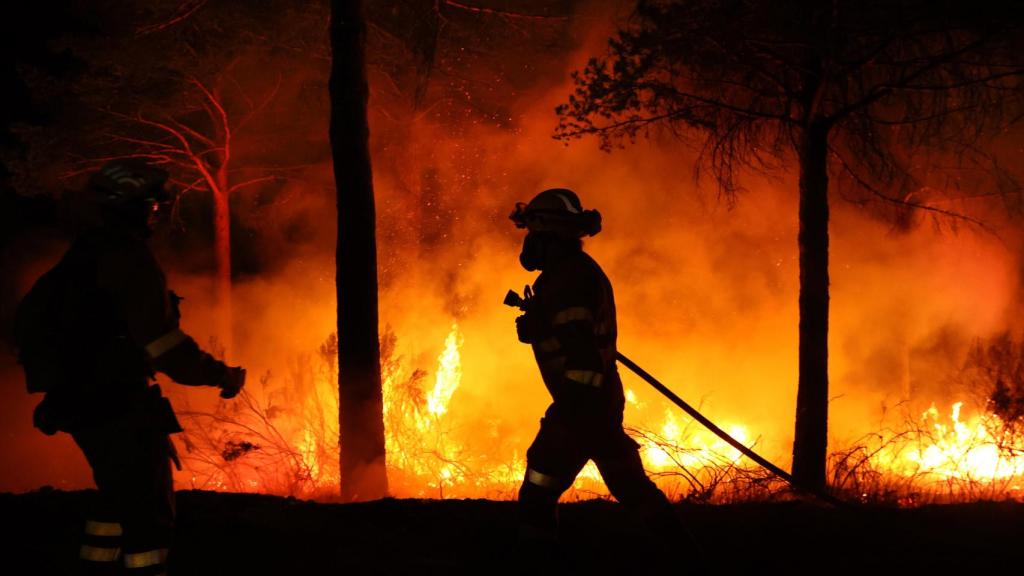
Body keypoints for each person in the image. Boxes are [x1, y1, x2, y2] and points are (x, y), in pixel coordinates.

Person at [16, 159, 246, 575]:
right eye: (153, 207)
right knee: (149, 514)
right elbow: (165, 346)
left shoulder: (86, 253)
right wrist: (221, 375)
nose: (155, 215)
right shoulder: (126, 257)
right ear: (132, 207)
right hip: (116, 402)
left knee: (116, 499)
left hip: (83, 401)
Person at [510, 188, 702, 569]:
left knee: (538, 490)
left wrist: (572, 411)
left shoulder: (568, 279)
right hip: (596, 402)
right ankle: (686, 558)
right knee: (631, 488)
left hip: (581, 403)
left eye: (533, 234)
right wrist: (540, 325)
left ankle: (534, 563)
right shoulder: (568, 275)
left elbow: (580, 351)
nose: (528, 244)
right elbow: (573, 337)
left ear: (549, 235)